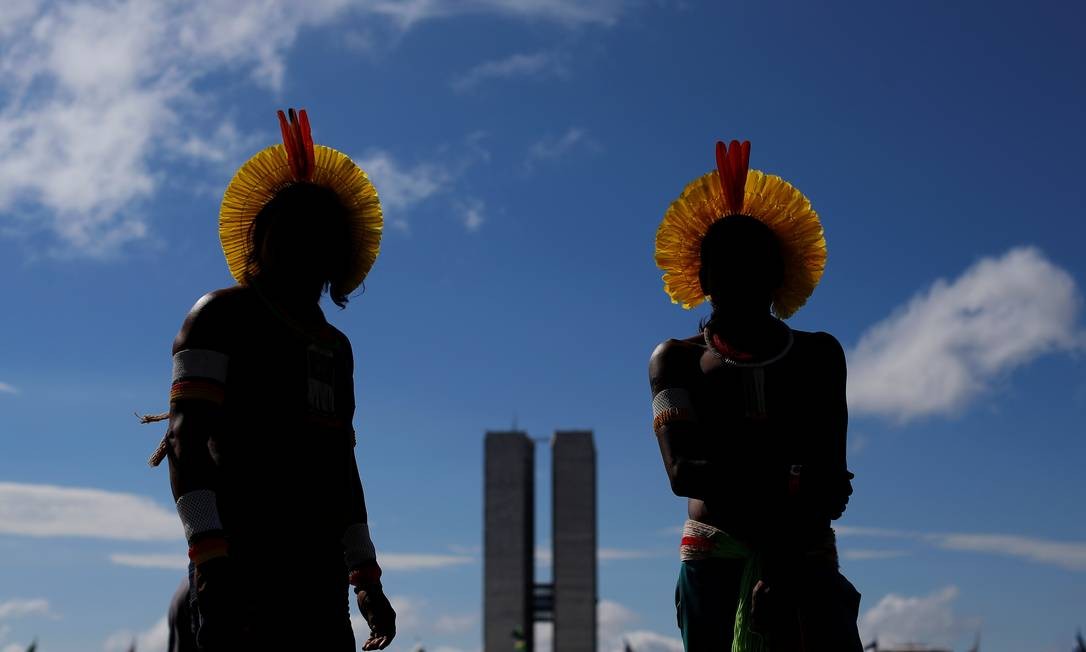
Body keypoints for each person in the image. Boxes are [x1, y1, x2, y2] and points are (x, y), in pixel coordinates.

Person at [152, 109, 395, 650]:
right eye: (288, 227)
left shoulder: (335, 348)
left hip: (318, 582)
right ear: (261, 236)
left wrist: (365, 575)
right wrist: (209, 556)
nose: (302, 244)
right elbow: (185, 442)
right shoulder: (217, 317)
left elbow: (340, 467)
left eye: (318, 232)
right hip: (237, 570)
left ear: (338, 251)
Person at [650, 140, 862, 651]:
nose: (737, 276)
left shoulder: (819, 356)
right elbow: (684, 475)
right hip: (718, 566)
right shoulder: (672, 360)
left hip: (804, 565)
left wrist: (783, 562)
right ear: (701, 276)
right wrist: (791, 477)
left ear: (778, 275)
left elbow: (832, 485)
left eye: (752, 263)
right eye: (723, 263)